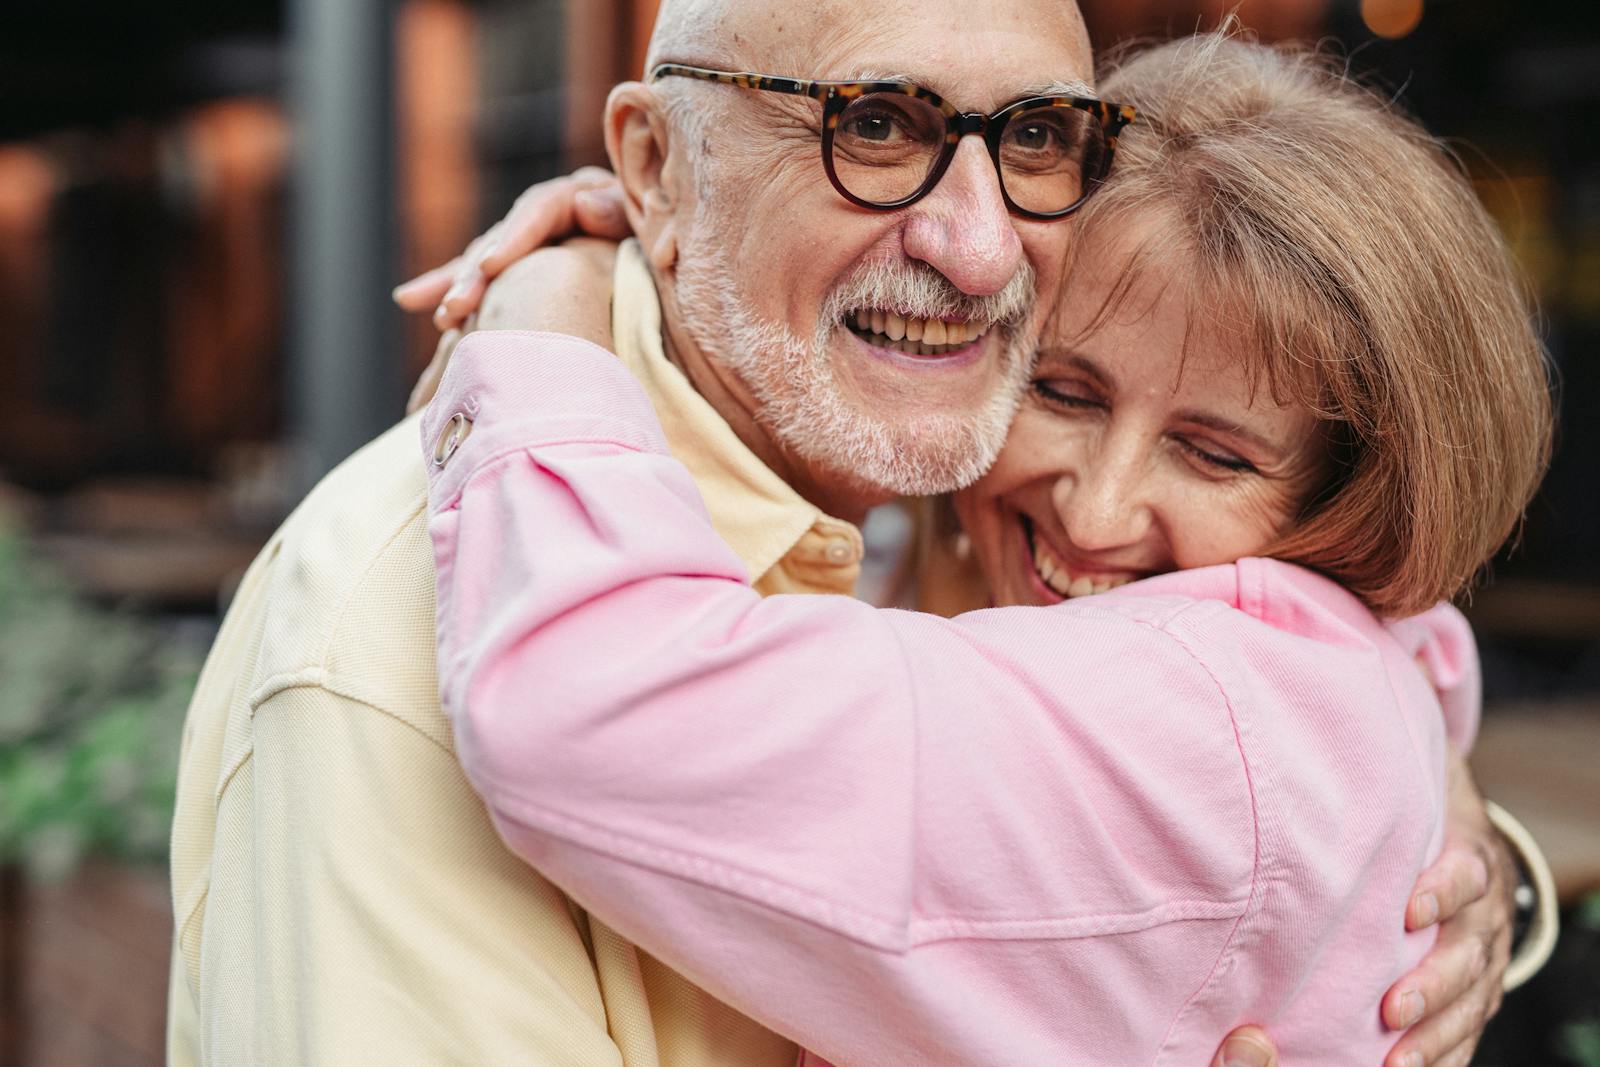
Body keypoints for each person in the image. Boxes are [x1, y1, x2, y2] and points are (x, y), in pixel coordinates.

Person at [167, 1, 1524, 1064]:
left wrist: (1452, 841)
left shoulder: (943, 543)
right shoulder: (399, 639)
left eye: (1037, 140)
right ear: (651, 162)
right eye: (874, 124)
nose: (977, 245)